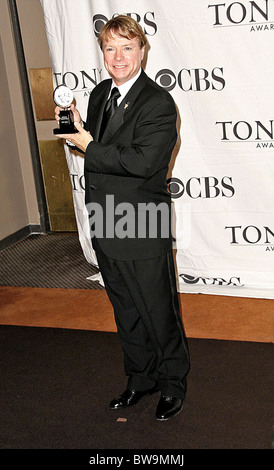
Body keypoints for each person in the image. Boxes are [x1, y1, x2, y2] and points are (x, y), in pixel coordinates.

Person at [55, 15, 190, 421]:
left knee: (157, 311)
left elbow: (143, 162)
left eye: (126, 47)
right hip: (105, 219)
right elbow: (97, 150)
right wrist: (76, 130)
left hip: (143, 222)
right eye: (110, 48)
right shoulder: (99, 95)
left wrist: (88, 144)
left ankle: (172, 384)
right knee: (126, 311)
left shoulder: (158, 103)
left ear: (142, 51)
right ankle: (140, 378)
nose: (118, 57)